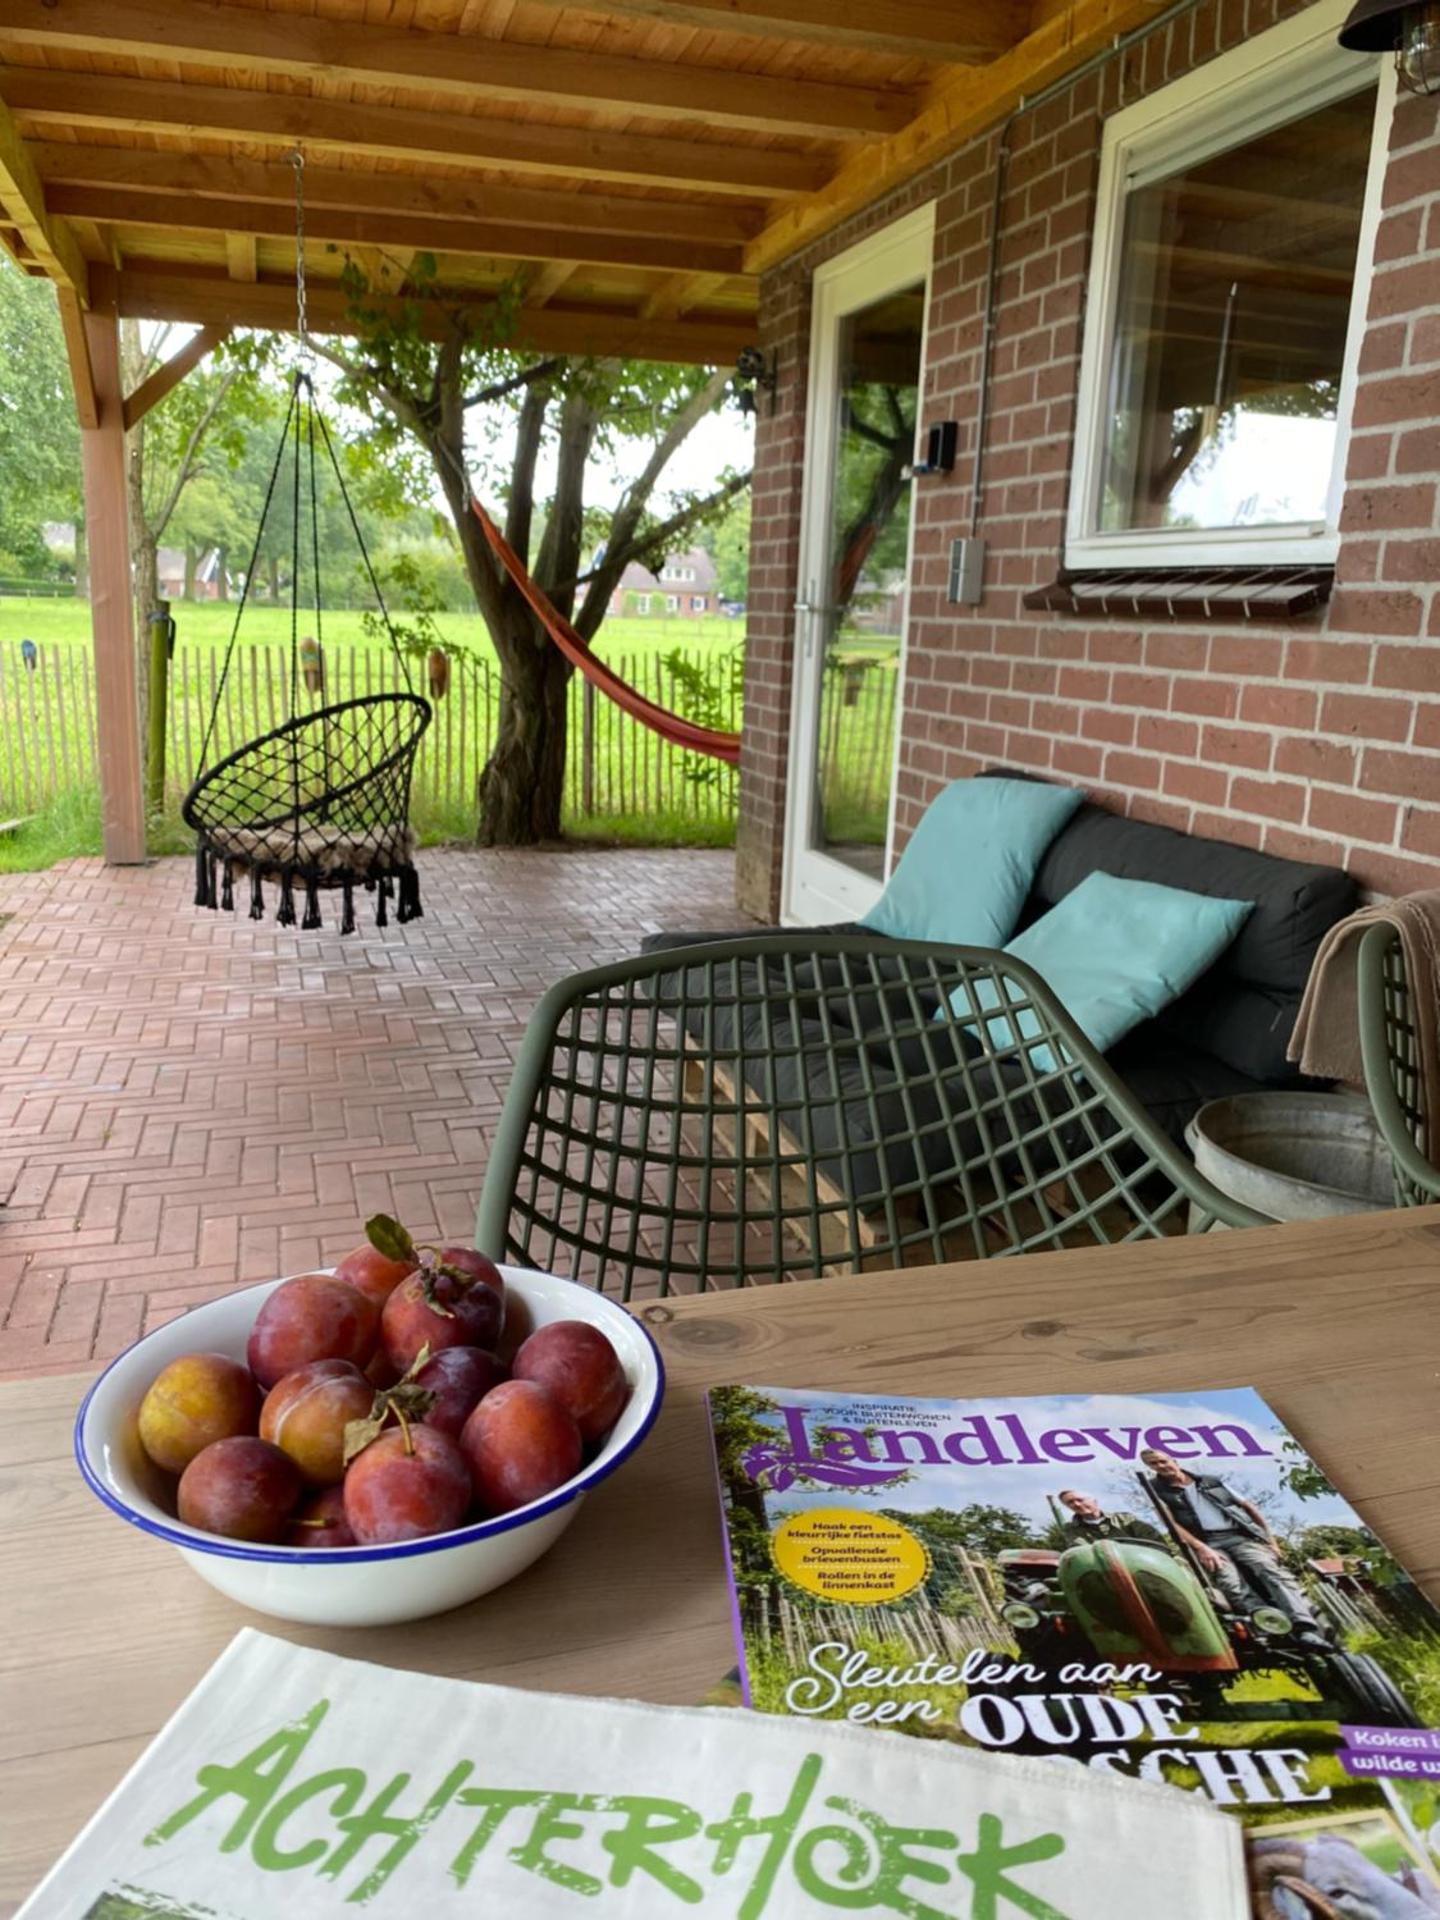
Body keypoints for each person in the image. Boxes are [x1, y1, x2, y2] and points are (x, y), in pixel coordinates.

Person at [1139, 1448, 1323, 1632]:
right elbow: (1171, 1524)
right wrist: (1201, 1548)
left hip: (1238, 1537)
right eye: (1153, 1464)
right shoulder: (1155, 1490)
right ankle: (1269, 1623)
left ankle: (1303, 1622)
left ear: (1174, 1460)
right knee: (1230, 1582)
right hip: (1207, 1543)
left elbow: (1249, 1507)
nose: (1161, 1466)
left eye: (1163, 1461)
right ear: (1149, 1467)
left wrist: (1271, 1541)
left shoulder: (1210, 1481)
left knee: (1267, 1567)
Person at [1057, 1490, 1157, 1544]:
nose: (1077, 1504)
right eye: (1070, 1503)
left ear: (1094, 1501)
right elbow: (1079, 1549)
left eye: (1080, 1500)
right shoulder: (1072, 1529)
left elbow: (1153, 1541)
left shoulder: (1125, 1519)